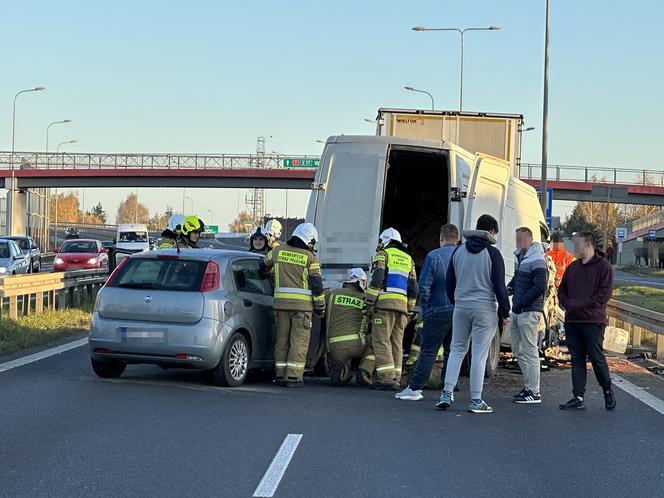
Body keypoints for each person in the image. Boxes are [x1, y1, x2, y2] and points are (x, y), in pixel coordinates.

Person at [437, 214, 510, 414]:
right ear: (492, 232)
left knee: (457, 349)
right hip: (485, 309)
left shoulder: (458, 251)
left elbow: (449, 282)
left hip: (461, 307)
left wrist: (457, 301)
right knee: (479, 353)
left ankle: (446, 393)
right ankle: (476, 400)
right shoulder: (493, 254)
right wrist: (505, 311)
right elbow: (499, 287)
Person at [396, 223, 459, 401]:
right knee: (452, 351)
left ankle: (414, 388)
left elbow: (423, 286)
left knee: (429, 351)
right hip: (459, 311)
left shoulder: (433, 256)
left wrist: (426, 309)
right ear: (457, 238)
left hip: (437, 310)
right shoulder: (462, 255)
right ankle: (448, 389)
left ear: (441, 238)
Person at [261, 222, 325, 388]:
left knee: (281, 341)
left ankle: (280, 375)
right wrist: (320, 307)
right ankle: (294, 377)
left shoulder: (277, 250)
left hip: (280, 306)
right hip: (302, 309)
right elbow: (317, 285)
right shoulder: (311, 258)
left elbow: (263, 265)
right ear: (309, 240)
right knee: (299, 342)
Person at [558, 231, 615, 411]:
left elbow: (604, 294)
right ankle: (578, 396)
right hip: (573, 320)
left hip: (592, 321)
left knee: (596, 358)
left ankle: (607, 389)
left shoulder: (603, 267)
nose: (574, 248)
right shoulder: (573, 267)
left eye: (577, 244)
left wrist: (580, 305)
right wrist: (568, 304)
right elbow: (562, 290)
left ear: (588, 244)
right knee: (577, 359)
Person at [365, 228, 418, 391]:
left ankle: (386, 379)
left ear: (385, 240)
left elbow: (378, 277)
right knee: (396, 342)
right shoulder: (408, 258)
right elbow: (413, 287)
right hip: (402, 307)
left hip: (385, 305)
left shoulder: (383, 254)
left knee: (381, 340)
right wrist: (409, 309)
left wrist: (369, 301)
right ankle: (396, 378)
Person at [507, 227, 547, 404]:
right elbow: (517, 279)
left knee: (530, 350)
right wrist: (508, 289)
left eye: (521, 239)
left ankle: (534, 391)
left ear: (530, 240)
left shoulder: (537, 259)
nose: (518, 242)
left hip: (529, 311)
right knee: (517, 349)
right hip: (518, 309)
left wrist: (522, 300)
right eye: (517, 239)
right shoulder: (521, 257)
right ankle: (529, 386)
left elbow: (540, 287)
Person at [326, 268, 375, 387]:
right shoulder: (366, 299)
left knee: (343, 361)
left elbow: (316, 300)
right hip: (357, 345)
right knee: (378, 345)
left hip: (334, 347)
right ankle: (364, 371)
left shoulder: (331, 293)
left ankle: (343, 371)